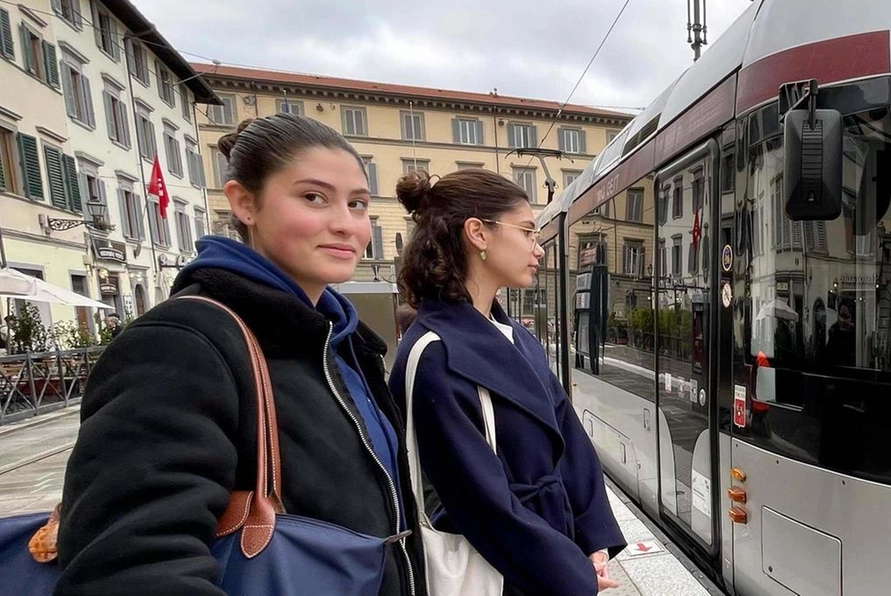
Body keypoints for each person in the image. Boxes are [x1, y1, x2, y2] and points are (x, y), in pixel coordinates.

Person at [55, 113, 421, 596]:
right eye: (314, 198)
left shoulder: (343, 343)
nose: (345, 224)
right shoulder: (184, 341)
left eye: (357, 204)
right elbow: (130, 562)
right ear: (244, 203)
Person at [392, 168, 625, 596]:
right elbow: (480, 503)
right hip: (503, 568)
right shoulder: (432, 354)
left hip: (549, 550)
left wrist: (593, 539)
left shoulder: (515, 335)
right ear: (478, 234)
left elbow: (569, 436)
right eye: (527, 233)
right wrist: (570, 573)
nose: (538, 250)